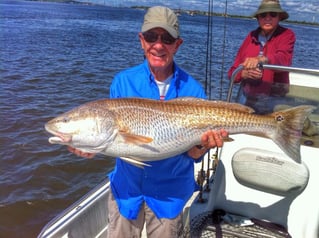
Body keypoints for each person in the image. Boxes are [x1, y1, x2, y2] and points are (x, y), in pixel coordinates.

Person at [68, 6, 227, 238]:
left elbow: (193, 154)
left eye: (167, 38)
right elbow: (113, 137)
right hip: (127, 191)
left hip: (169, 196)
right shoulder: (122, 82)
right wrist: (91, 147)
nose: (159, 45)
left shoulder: (193, 90)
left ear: (177, 44)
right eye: (152, 36)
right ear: (142, 41)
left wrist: (204, 145)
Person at [228, 0, 296, 114]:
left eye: (273, 14)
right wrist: (243, 74)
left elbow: (284, 59)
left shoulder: (287, 35)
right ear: (258, 18)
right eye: (263, 15)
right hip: (247, 99)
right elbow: (232, 72)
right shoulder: (250, 37)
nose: (267, 18)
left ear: (279, 17)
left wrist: (262, 60)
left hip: (274, 100)